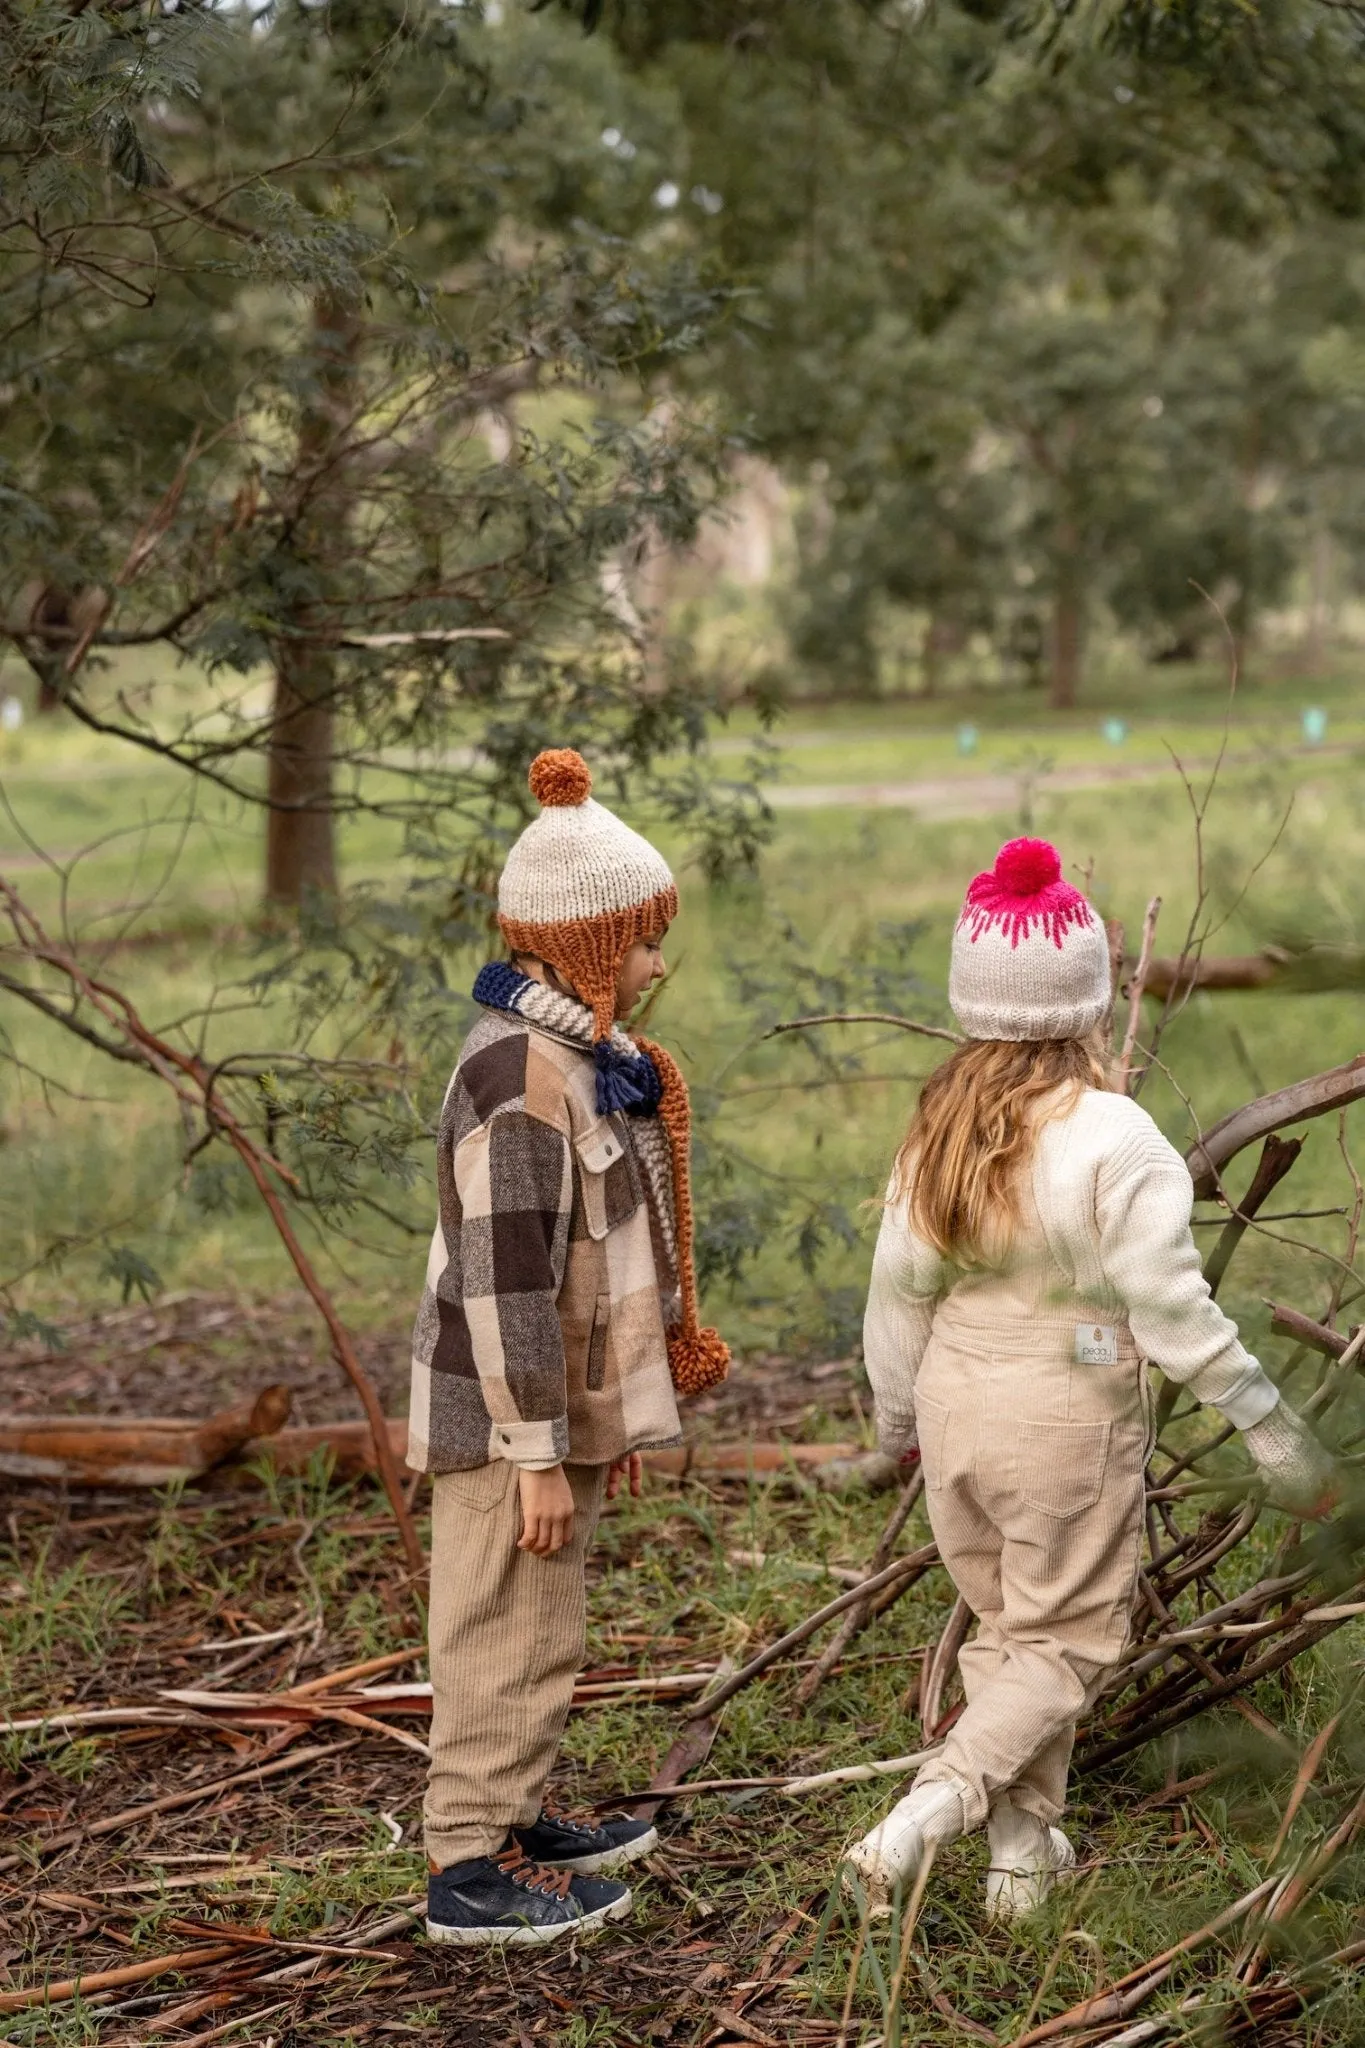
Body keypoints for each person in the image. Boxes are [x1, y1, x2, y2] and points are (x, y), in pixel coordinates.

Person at [850, 837, 1336, 1920]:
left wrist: (897, 1419)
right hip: (1065, 1416)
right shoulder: (1116, 1136)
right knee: (1066, 1642)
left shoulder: (935, 1131)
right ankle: (926, 1814)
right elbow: (1172, 1309)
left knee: (1011, 1639)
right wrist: (1270, 1427)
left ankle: (1020, 1861)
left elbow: (896, 1295)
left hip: (956, 1410)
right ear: (1093, 1002)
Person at [409, 747, 728, 1947]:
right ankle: (463, 1862)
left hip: (553, 1409)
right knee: (497, 1615)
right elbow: (506, 1287)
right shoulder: (516, 1080)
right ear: (582, 943)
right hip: (504, 1417)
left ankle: (515, 1811)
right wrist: (537, 1448)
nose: (656, 962)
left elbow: (603, 1263)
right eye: (641, 940)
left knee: (545, 1615)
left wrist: (608, 1419)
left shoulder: (583, 1061)